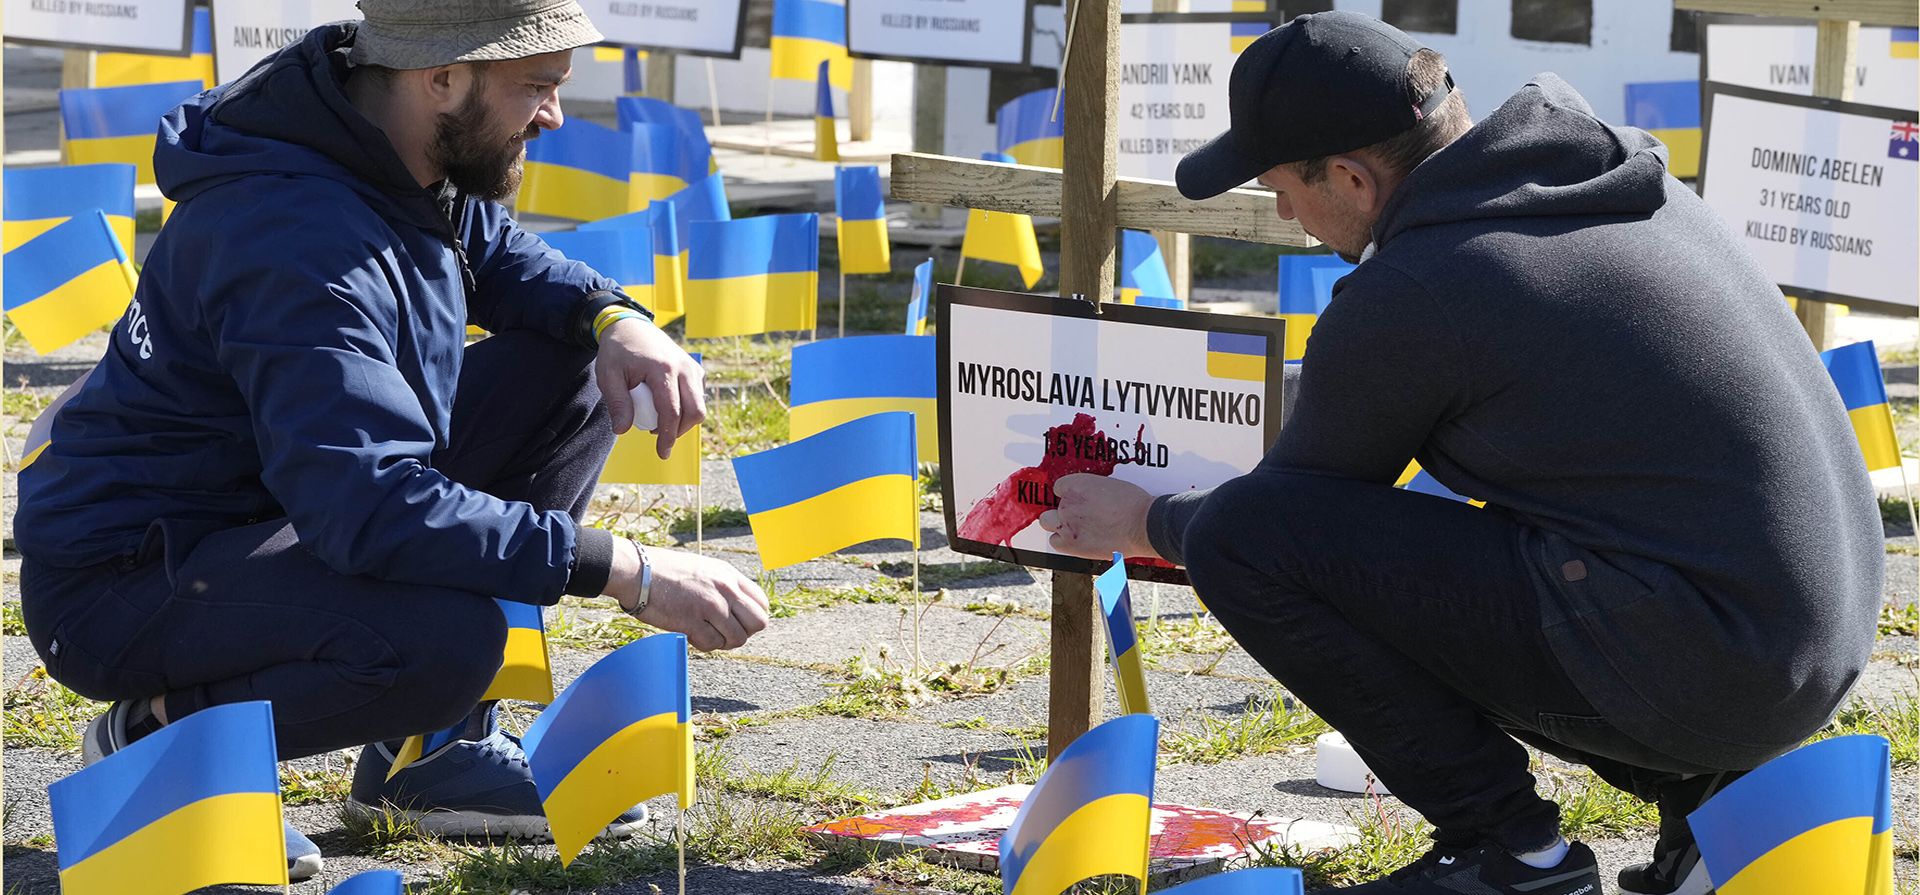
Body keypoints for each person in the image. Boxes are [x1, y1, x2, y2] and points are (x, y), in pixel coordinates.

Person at [1039, 11, 1882, 895]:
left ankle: (1510, 850)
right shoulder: (1607, 174)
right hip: (1807, 645)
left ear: (1356, 177)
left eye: (1283, 184)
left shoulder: (1421, 288)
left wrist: (1146, 517)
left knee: (1242, 539)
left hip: (1708, 664)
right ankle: (1712, 808)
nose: (1281, 209)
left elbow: (1290, 519)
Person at [13, 0, 770, 880]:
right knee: (445, 641)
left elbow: (492, 253)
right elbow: (369, 510)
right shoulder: (298, 243)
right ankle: (163, 744)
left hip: (279, 512)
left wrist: (612, 319)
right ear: (441, 78)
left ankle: (428, 753)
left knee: (576, 365)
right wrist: (629, 570)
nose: (554, 115)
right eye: (538, 87)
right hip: (128, 582)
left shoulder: (385, 135)